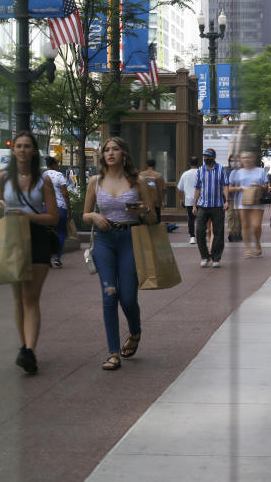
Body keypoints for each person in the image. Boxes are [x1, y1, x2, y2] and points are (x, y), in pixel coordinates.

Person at [82, 137, 157, 371]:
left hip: (131, 239)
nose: (110, 153)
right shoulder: (95, 181)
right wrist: (94, 216)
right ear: (102, 155)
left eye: (115, 149)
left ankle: (135, 332)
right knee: (109, 295)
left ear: (124, 153)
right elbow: (85, 214)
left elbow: (153, 219)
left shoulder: (138, 181)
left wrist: (144, 210)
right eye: (106, 150)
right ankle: (113, 352)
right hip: (105, 241)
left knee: (127, 298)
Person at [0, 131, 59, 374]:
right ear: (13, 150)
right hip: (10, 237)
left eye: (27, 146)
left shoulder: (44, 181)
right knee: (18, 297)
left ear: (33, 151)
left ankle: (29, 350)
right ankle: (24, 346)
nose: (22, 150)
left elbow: (53, 216)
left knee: (30, 296)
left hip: (37, 237)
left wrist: (27, 215)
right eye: (18, 146)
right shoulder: (2, 177)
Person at [228, 151, 270, 258]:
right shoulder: (236, 172)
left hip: (257, 200)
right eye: (243, 158)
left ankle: (257, 242)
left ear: (253, 159)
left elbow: (266, 186)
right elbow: (229, 188)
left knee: (256, 225)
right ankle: (247, 249)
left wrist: (259, 186)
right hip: (242, 200)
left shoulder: (260, 171)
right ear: (241, 160)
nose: (246, 159)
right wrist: (241, 188)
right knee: (245, 225)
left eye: (248, 157)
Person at [194, 148, 230, 267]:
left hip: (217, 205)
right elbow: (197, 188)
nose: (206, 158)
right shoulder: (200, 170)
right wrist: (194, 205)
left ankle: (216, 258)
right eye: (205, 156)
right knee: (199, 231)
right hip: (202, 206)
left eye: (209, 156)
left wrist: (227, 201)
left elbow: (225, 186)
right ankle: (204, 256)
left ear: (214, 158)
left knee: (218, 232)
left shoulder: (221, 169)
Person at [43, 156, 71, 267]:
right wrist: (69, 208)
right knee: (61, 232)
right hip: (60, 207)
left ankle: (47, 258)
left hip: (45, 207)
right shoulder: (59, 175)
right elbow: (65, 193)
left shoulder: (42, 175)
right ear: (54, 164)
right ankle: (58, 257)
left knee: (46, 233)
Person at [176, 157, 200, 244]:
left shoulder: (185, 174)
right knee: (201, 218)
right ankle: (201, 235)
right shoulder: (201, 173)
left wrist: (181, 200)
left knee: (191, 219)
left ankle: (192, 237)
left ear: (189, 163)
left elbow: (180, 188)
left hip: (189, 200)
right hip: (200, 200)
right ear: (198, 163)